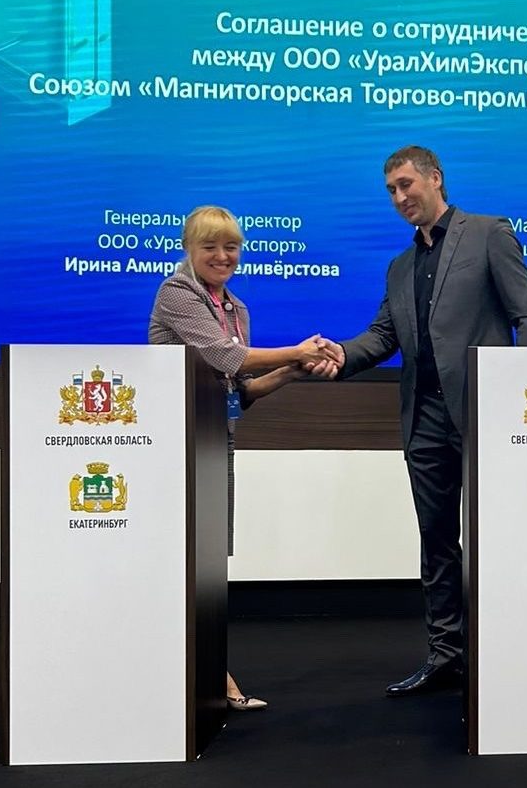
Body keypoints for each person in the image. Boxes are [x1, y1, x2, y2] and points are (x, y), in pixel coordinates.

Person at [317, 146, 527, 696]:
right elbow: (382, 336)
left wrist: (526, 406)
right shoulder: (400, 267)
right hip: (423, 419)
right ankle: (447, 656)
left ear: (435, 178)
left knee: (503, 536)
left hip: (486, 416)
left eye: (406, 184)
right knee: (437, 540)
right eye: (391, 191)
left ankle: (513, 653)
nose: (400, 198)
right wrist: (338, 355)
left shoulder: (488, 233)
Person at [149, 205, 336, 709]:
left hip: (217, 443)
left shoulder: (237, 309)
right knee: (179, 557)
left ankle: (207, 674)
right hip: (174, 446)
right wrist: (296, 351)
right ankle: (196, 675)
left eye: (230, 246)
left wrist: (294, 371)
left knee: (208, 561)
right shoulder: (176, 293)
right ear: (189, 248)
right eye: (209, 246)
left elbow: (241, 389)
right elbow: (226, 356)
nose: (222, 256)